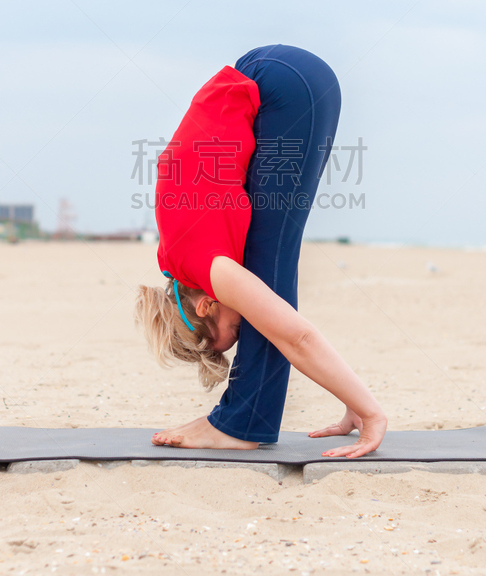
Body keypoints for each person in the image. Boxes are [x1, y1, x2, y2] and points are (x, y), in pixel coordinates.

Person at [135, 44, 387, 458]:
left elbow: (296, 336)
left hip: (281, 83)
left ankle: (241, 424)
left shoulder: (207, 268)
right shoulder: (177, 259)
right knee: (269, 279)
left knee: (270, 280)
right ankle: (242, 420)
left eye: (234, 332)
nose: (244, 331)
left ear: (205, 307)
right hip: (276, 75)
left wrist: (369, 409)